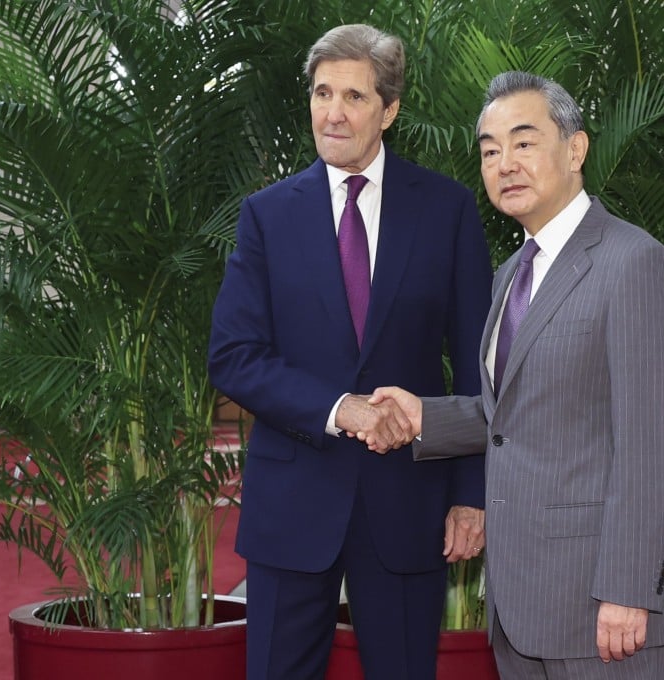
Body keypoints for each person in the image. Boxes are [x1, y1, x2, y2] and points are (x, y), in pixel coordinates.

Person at [363, 71, 664, 679]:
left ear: (576, 149)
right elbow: (511, 415)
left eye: (523, 142)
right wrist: (422, 418)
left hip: (601, 608)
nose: (504, 163)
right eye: (489, 151)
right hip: (520, 601)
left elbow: (651, 445)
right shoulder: (512, 272)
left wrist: (626, 589)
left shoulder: (634, 264)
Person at [207, 24, 493, 680]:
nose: (332, 112)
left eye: (354, 97)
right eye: (321, 93)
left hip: (409, 504)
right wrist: (343, 409)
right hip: (294, 503)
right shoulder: (267, 215)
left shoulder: (446, 211)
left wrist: (471, 494)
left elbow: (483, 366)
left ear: (389, 110)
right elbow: (234, 355)